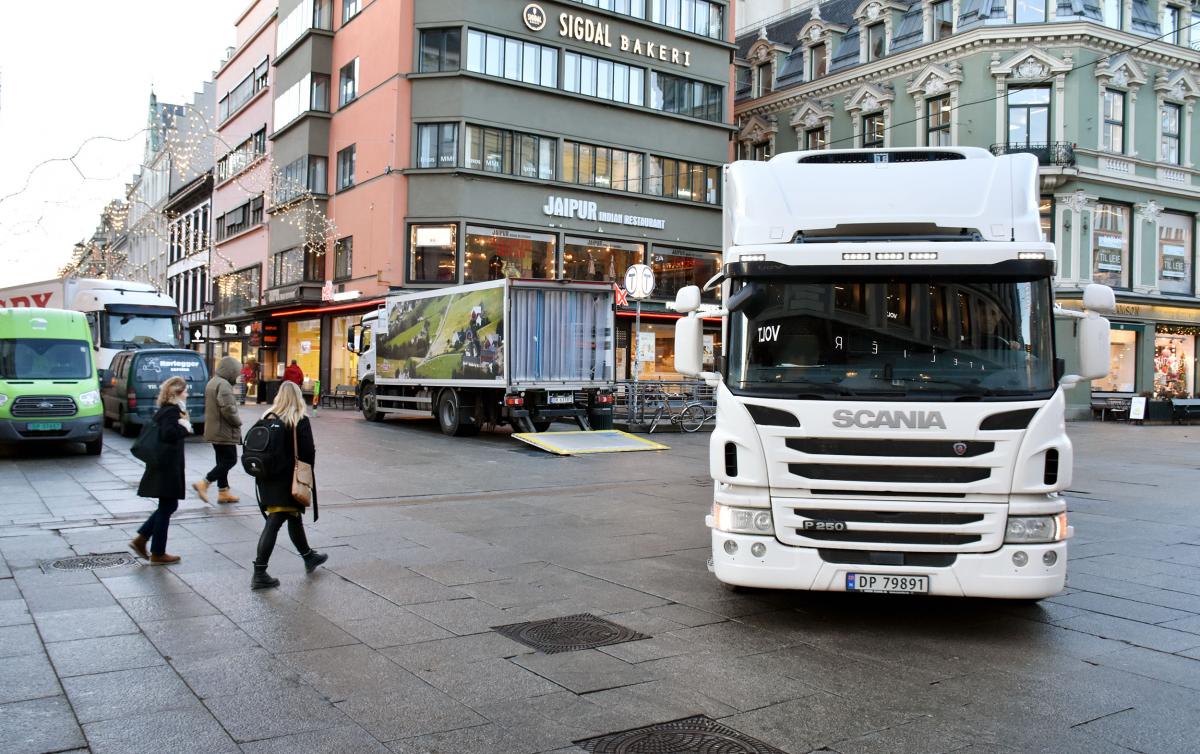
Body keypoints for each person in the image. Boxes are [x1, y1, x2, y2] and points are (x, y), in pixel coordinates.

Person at [251, 381, 327, 590]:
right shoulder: (298, 419)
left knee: (293, 516)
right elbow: (308, 452)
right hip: (287, 479)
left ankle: (308, 556)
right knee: (275, 520)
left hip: (266, 477)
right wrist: (306, 475)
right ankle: (259, 572)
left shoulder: (267, 417)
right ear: (298, 397)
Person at [129, 376, 193, 564]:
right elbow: (168, 434)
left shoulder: (166, 410)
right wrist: (185, 428)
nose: (187, 394)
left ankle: (142, 540)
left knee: (168, 506)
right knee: (168, 506)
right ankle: (157, 552)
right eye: (185, 391)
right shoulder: (172, 411)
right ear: (177, 393)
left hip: (164, 466)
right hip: (167, 467)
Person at [195, 356, 243, 505]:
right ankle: (204, 482)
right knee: (230, 460)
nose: (237, 376)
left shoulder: (213, 382)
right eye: (236, 372)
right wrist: (237, 422)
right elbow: (228, 409)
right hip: (224, 430)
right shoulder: (224, 385)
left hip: (214, 429)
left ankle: (223, 491)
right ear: (230, 371)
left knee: (221, 460)